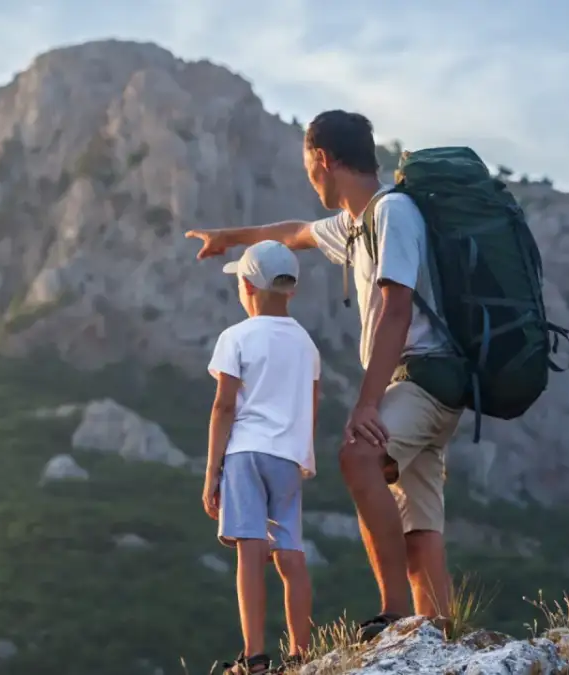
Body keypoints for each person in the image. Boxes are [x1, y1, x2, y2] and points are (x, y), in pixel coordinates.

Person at [186, 110, 463, 643]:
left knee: (358, 453)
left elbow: (397, 309)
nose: (309, 178)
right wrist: (230, 237)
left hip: (425, 377)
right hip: (420, 382)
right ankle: (440, 638)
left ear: (323, 159)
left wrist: (366, 405)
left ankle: (394, 616)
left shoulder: (393, 213)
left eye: (308, 166)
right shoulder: (356, 225)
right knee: (418, 520)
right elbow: (293, 233)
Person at [202, 240, 321, 674]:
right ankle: (301, 654)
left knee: (250, 551)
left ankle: (254, 657)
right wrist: (303, 456)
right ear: (290, 290)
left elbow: (223, 406)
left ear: (247, 286)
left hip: (244, 453)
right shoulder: (307, 344)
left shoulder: (236, 336)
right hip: (287, 458)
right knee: (290, 552)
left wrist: (213, 470)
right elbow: (312, 402)